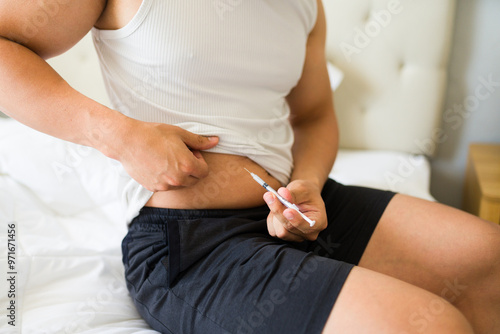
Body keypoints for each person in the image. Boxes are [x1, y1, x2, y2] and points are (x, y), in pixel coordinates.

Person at [1, 0, 499, 333]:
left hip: (292, 213)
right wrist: (121, 136)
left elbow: (314, 116)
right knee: (430, 326)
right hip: (190, 245)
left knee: (488, 257)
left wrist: (310, 184)